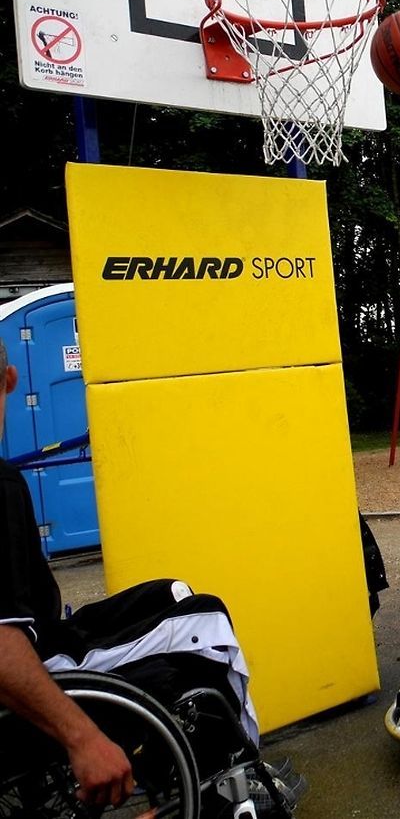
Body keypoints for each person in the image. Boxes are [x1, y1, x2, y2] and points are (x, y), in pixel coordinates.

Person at [0, 340, 301, 814]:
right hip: (41, 661)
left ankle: (220, 771)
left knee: (170, 593)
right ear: (11, 380)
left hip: (43, 637)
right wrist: (83, 739)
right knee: (206, 624)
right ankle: (231, 785)